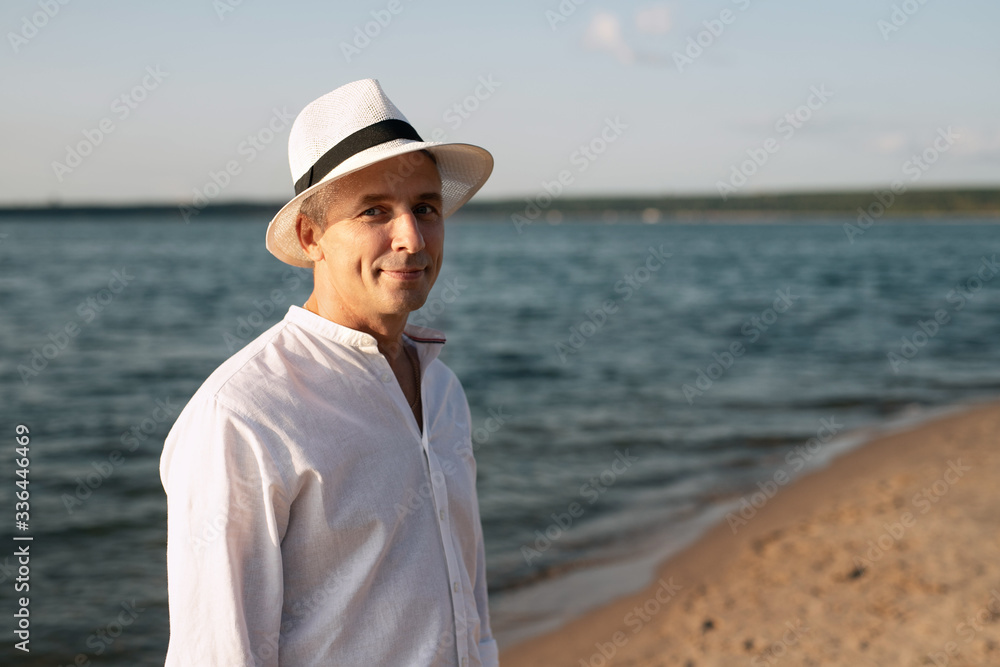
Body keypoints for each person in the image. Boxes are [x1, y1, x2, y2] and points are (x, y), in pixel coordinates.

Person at [159, 78, 497, 666]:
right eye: (375, 211)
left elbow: (470, 598)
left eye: (425, 208)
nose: (412, 237)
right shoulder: (242, 416)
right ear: (311, 236)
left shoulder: (442, 389)